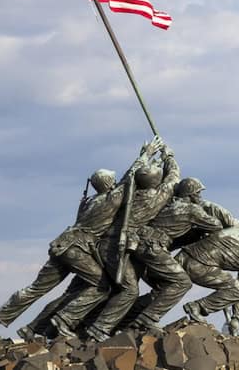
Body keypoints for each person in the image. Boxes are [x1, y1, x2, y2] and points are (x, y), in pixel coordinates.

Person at [0, 140, 161, 341]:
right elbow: (131, 177)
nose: (116, 182)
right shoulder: (111, 199)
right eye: (113, 180)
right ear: (109, 184)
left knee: (36, 289)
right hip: (77, 249)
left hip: (62, 245)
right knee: (102, 286)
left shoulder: (88, 202)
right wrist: (146, 154)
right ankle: (63, 320)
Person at [55, 144, 182, 341]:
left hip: (102, 246)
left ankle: (82, 324)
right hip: (115, 248)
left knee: (108, 287)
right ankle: (95, 328)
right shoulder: (156, 197)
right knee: (129, 290)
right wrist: (169, 157)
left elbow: (128, 178)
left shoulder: (124, 195)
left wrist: (146, 156)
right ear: (156, 182)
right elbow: (173, 178)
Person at [120, 177, 239, 335]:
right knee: (182, 282)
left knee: (163, 287)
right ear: (191, 194)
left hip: (142, 245)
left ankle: (126, 319)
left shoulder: (168, 206)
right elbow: (216, 225)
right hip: (153, 248)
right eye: (198, 193)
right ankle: (147, 319)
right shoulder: (192, 209)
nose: (200, 197)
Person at [177, 227, 239, 336]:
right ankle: (197, 306)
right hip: (199, 267)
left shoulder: (237, 232)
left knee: (162, 290)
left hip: (182, 256)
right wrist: (236, 318)